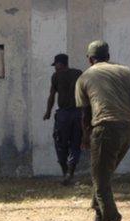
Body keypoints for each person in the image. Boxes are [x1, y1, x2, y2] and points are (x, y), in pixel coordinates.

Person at [75, 40, 130, 221]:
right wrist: (123, 110)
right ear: (108, 55)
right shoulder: (127, 71)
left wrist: (85, 136)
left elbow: (86, 114)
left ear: (90, 59)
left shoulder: (85, 77)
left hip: (105, 129)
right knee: (102, 176)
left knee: (101, 182)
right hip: (128, 128)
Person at [43, 54, 83, 185]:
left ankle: (65, 173)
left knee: (60, 144)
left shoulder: (56, 76)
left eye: (56, 65)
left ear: (60, 64)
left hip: (64, 115)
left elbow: (51, 95)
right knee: (75, 144)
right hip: (78, 114)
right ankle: (70, 174)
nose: (55, 68)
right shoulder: (78, 73)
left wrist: (48, 112)